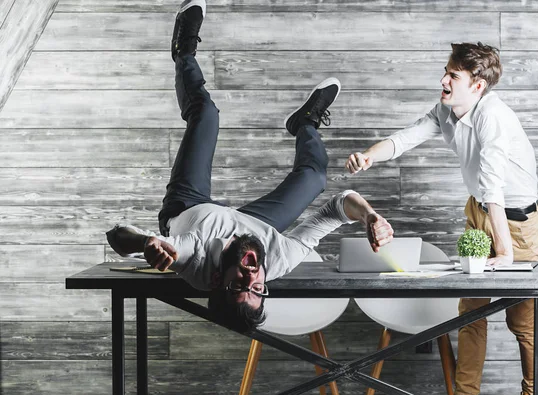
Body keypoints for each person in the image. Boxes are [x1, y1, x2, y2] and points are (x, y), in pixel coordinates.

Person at [106, 0, 394, 333]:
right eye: (257, 289)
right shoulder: (276, 259)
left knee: (206, 116)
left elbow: (117, 236)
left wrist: (145, 245)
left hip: (190, 207)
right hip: (253, 225)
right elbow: (336, 209)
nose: (250, 278)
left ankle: (183, 51)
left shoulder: (193, 261)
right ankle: (305, 123)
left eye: (237, 287)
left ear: (216, 279)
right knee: (314, 178)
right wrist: (369, 215)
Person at [345, 42, 538, 395]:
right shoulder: (446, 109)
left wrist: (505, 252)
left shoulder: (492, 116)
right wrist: (368, 156)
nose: (443, 79)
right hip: (479, 211)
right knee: (470, 314)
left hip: (515, 221)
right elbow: (407, 137)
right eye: (446, 71)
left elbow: (492, 185)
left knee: (523, 322)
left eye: (453, 75)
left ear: (478, 85)